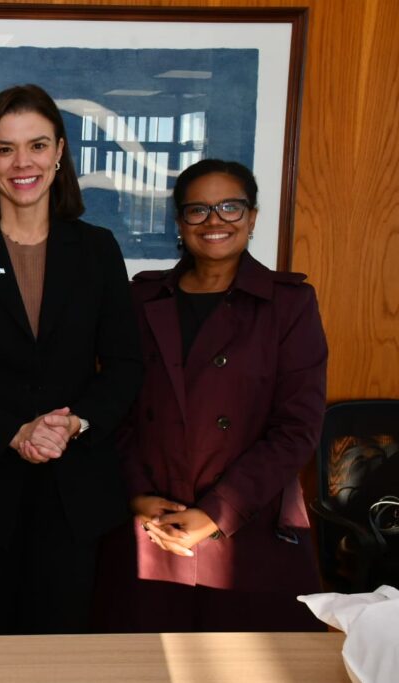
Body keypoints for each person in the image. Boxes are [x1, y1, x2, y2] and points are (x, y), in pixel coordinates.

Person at [0, 84, 143, 635]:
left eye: (37, 145)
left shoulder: (98, 250)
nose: (23, 163)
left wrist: (75, 422)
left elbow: (125, 364)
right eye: (5, 149)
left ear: (60, 152)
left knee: (64, 649)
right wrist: (14, 432)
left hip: (77, 492)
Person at [94, 159, 327, 632]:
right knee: (142, 659)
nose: (214, 220)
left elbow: (296, 429)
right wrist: (139, 496)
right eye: (197, 209)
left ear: (252, 217)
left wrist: (216, 513)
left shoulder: (290, 304)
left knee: (249, 661)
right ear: (179, 223)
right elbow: (115, 409)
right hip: (152, 525)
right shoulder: (141, 299)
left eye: (230, 207)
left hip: (251, 525)